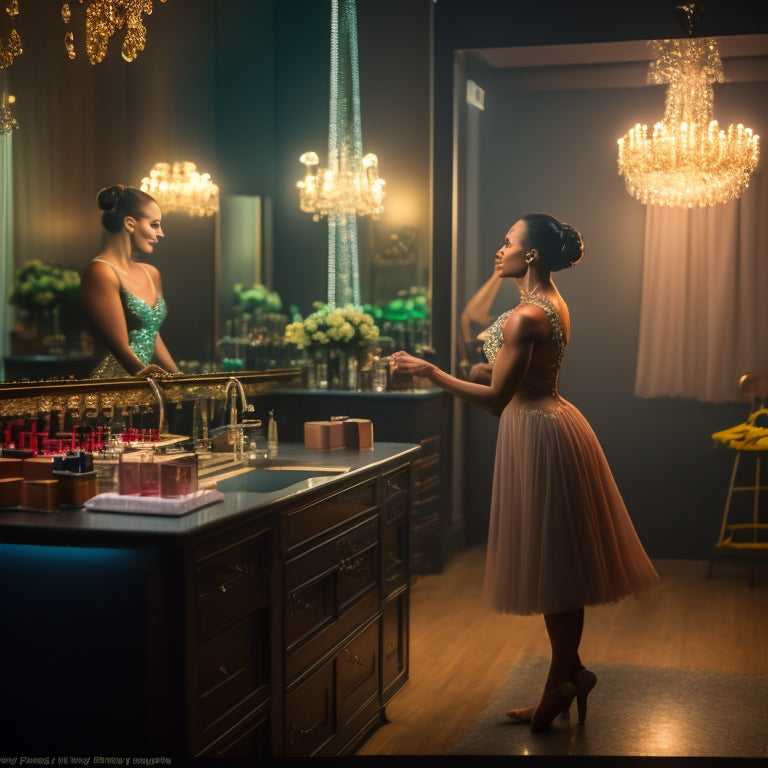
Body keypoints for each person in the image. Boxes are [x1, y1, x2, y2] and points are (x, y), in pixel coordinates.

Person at [391, 213, 659, 733]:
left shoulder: (525, 317)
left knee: (557, 566)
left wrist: (432, 373)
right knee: (559, 564)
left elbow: (496, 402)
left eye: (508, 242)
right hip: (549, 422)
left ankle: (561, 681)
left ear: (530, 254)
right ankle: (569, 674)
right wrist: (483, 367)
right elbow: (514, 363)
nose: (500, 249)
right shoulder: (545, 302)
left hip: (537, 434)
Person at [81, 185, 180, 379]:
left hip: (145, 383)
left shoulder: (151, 273)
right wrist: (143, 375)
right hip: (113, 386)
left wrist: (181, 378)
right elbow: (119, 347)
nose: (161, 233)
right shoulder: (101, 272)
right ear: (130, 224)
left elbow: (152, 334)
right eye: (154, 225)